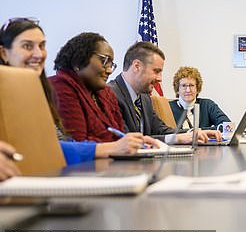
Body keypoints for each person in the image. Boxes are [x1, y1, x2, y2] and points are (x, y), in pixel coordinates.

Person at [0, 18, 151, 164]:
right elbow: (47, 147)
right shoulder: (58, 86)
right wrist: (111, 147)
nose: (39, 54)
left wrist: (129, 143)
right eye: (27, 46)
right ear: (4, 53)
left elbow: (60, 142)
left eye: (42, 46)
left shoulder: (37, 90)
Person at [108, 41, 221, 144]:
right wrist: (178, 138)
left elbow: (161, 130)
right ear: (137, 66)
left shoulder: (144, 98)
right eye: (156, 71)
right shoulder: (109, 95)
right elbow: (126, 141)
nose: (159, 79)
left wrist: (193, 134)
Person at [51, 32, 136, 143]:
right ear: (78, 61)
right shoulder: (61, 85)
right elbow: (78, 142)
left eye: (111, 64)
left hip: (114, 158)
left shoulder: (106, 93)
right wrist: (117, 145)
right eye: (104, 61)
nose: (110, 70)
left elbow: (121, 135)